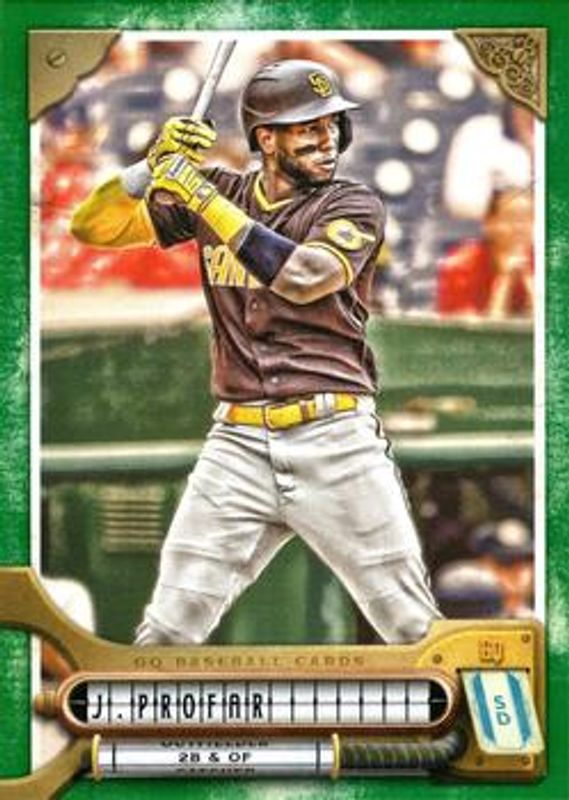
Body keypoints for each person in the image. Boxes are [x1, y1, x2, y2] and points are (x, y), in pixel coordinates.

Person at [71, 59, 441, 645]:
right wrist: (148, 169)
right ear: (266, 139)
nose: (328, 138)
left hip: (334, 437)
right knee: (165, 634)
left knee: (412, 626)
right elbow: (91, 227)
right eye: (308, 127)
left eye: (332, 124)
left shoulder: (351, 203)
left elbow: (302, 277)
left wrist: (199, 196)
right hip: (237, 442)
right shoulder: (224, 191)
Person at [437, 187, 534, 318]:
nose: (519, 228)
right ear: (488, 224)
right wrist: (504, 282)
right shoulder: (459, 267)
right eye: (510, 218)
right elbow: (472, 330)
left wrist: (530, 286)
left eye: (527, 219)